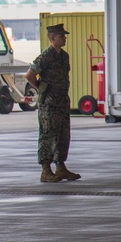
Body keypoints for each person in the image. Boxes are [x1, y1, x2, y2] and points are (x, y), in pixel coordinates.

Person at [25, 23, 80, 183]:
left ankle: (61, 167)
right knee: (47, 134)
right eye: (61, 35)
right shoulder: (45, 57)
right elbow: (29, 76)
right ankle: (46, 170)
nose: (65, 38)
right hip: (49, 103)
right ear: (52, 38)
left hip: (62, 100)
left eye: (64, 35)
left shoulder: (64, 56)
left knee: (63, 134)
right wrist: (42, 90)